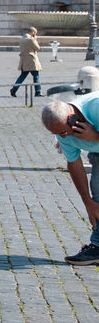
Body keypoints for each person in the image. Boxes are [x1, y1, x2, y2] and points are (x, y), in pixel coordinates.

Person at [41, 98, 99, 264]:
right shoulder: (63, 134)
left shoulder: (96, 108)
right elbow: (74, 164)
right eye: (57, 134)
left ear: (72, 117)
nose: (63, 137)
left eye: (64, 132)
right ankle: (97, 247)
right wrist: (88, 202)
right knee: (97, 188)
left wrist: (95, 136)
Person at [9, 26, 42, 99]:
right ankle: (38, 91)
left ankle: (14, 90)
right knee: (36, 76)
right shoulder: (31, 39)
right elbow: (38, 48)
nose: (35, 34)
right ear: (33, 32)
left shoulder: (21, 39)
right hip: (32, 60)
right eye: (35, 33)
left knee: (22, 77)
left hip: (24, 61)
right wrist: (35, 39)